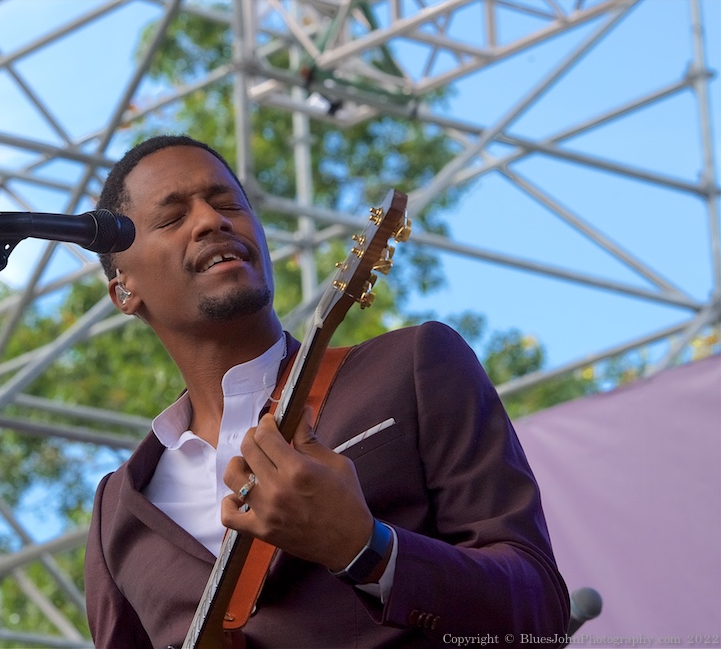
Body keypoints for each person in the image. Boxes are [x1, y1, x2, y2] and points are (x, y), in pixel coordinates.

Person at [84, 134, 570, 648]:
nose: (211, 221)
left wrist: (366, 549)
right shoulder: (117, 509)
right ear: (124, 290)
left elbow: (537, 614)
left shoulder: (413, 367)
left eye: (227, 202)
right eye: (172, 217)